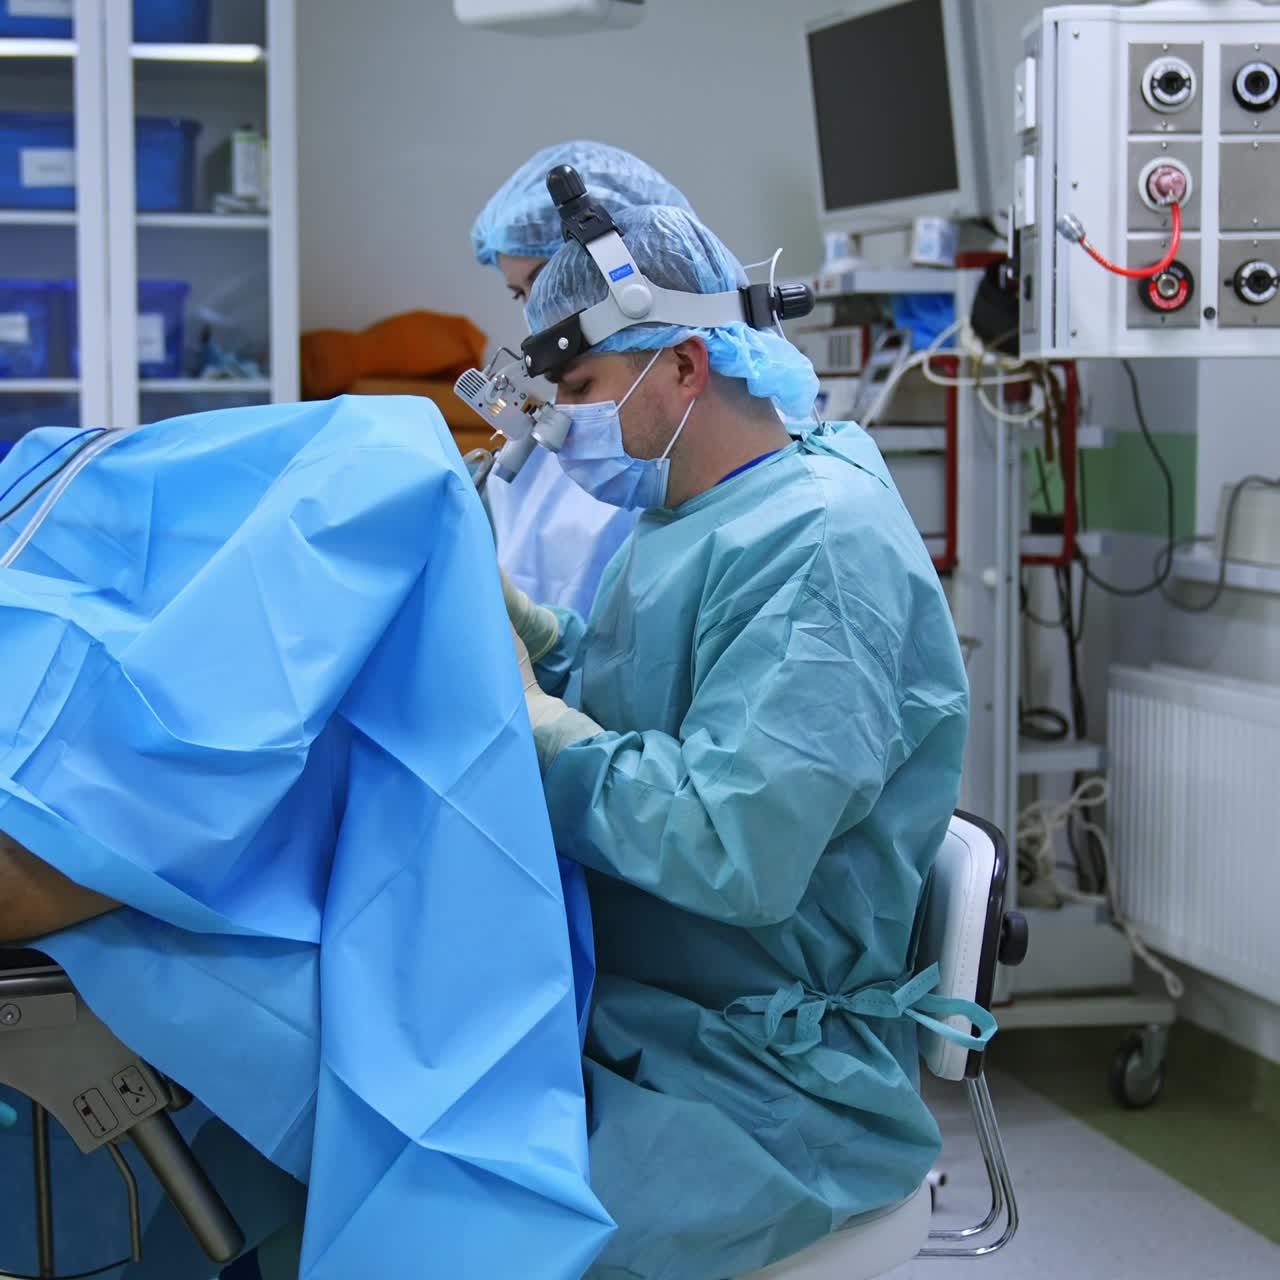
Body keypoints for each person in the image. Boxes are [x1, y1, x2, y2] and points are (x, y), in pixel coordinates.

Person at [503, 203, 978, 1280]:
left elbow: (733, 839)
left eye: (577, 389)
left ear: (680, 363)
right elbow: (647, 692)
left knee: (468, 1220)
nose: (558, 423)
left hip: (762, 1081)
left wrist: (536, 721)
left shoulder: (817, 544)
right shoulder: (693, 511)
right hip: (656, 1002)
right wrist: (531, 639)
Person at [471, 141, 694, 616]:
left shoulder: (686, 436)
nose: (538, 314)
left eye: (546, 277)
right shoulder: (555, 448)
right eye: (520, 295)